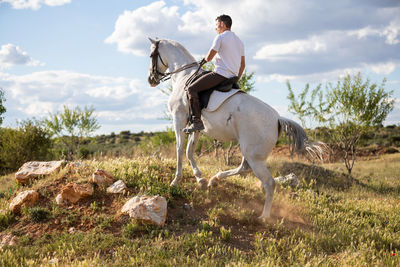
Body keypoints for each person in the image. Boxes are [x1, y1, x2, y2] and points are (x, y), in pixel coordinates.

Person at [183, 14, 245, 134]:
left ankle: (197, 122)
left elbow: (210, 57)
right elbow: (242, 65)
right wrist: (236, 78)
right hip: (232, 78)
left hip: (219, 75)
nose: (215, 28)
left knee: (191, 89)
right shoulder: (239, 41)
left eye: (216, 25)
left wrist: (204, 60)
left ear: (222, 24)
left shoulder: (220, 37)